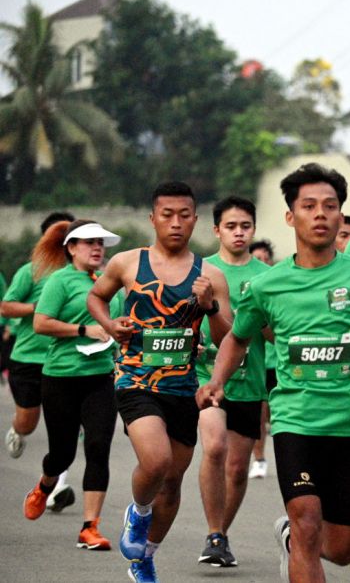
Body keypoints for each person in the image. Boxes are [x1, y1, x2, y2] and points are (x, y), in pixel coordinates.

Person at [196, 163, 350, 583]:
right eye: (309, 206)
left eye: (330, 206)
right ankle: (298, 536)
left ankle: (293, 543)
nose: (320, 214)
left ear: (340, 215)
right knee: (307, 520)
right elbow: (238, 338)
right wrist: (217, 381)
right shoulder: (267, 286)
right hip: (297, 420)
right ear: (291, 217)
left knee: (341, 547)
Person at [88, 181, 233, 583]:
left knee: (171, 484)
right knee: (156, 461)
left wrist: (210, 306)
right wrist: (109, 324)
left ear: (195, 220)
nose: (175, 223)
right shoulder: (128, 263)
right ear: (152, 219)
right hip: (135, 380)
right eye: (167, 215)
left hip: (182, 387)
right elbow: (96, 298)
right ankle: (138, 512)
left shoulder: (211, 275)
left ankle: (145, 557)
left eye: (184, 215)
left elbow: (227, 337)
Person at [24, 220, 122, 551]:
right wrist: (83, 330)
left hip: (100, 377)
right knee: (61, 453)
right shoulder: (60, 280)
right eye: (88, 242)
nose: (97, 248)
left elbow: (116, 324)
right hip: (61, 377)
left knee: (98, 447)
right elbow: (40, 323)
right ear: (71, 248)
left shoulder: (111, 284)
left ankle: (89, 527)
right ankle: (44, 485)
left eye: (100, 243)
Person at [194, 197, 271, 567]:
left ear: (253, 228)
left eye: (245, 226)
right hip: (208, 379)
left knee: (238, 468)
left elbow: (276, 334)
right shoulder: (201, 273)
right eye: (231, 226)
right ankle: (212, 531)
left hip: (250, 381)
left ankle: (220, 536)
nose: (239, 232)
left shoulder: (268, 277)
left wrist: (255, 319)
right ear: (216, 230)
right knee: (214, 447)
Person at [3, 211, 75, 470]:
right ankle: (17, 429)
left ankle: (58, 483)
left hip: (64, 359)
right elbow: (6, 307)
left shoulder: (82, 273)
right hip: (28, 359)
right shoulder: (30, 271)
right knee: (28, 422)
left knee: (66, 424)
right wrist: (39, 308)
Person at [247, 239, 276, 480]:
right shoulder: (251, 289)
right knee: (261, 411)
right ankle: (259, 457)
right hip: (259, 364)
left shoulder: (275, 283)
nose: (262, 263)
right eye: (257, 259)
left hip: (280, 362)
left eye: (266, 259)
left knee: (270, 412)